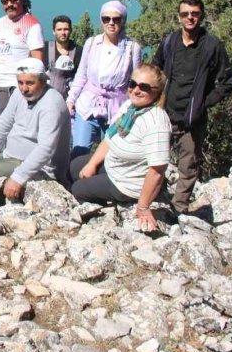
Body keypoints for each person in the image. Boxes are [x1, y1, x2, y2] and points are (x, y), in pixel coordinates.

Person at [153, 0, 232, 213]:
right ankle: (152, 198)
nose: (190, 18)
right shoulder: (170, 42)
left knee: (188, 165)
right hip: (165, 113)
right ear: (179, 17)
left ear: (201, 16)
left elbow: (227, 81)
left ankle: (178, 208)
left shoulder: (212, 46)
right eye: (185, 14)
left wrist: (204, 103)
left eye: (195, 14)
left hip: (192, 118)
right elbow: (155, 69)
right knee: (153, 158)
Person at [69, 64, 172, 233]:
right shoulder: (130, 108)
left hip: (127, 182)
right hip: (115, 165)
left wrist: (143, 207)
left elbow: (157, 170)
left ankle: (105, 215)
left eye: (144, 87)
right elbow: (110, 137)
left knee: (78, 189)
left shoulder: (156, 122)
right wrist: (92, 164)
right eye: (133, 84)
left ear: (157, 92)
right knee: (75, 166)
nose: (136, 90)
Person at [0, 58, 72, 201]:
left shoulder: (51, 104)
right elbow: (3, 125)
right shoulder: (19, 94)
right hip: (11, 158)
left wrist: (19, 177)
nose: (24, 88)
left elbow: (46, 148)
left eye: (30, 83)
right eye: (20, 82)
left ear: (43, 81)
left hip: (40, 169)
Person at [66, 0, 142, 158]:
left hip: (116, 111)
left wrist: (133, 108)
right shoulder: (92, 43)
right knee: (79, 152)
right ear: (101, 20)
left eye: (116, 19)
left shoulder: (132, 48)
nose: (111, 23)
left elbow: (136, 81)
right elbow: (81, 74)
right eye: (106, 19)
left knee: (110, 156)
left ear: (123, 21)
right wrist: (71, 100)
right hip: (88, 106)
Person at [0, 0, 45, 124]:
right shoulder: (1, 22)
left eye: (14, 0)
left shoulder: (32, 25)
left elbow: (38, 61)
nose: (9, 4)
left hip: (14, 86)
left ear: (22, 0)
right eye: (5, 1)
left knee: (5, 127)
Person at [43, 15, 82, 100]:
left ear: (70, 30)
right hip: (46, 98)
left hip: (71, 99)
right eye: (59, 29)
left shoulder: (79, 52)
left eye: (66, 29)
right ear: (53, 31)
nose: (63, 33)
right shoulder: (44, 49)